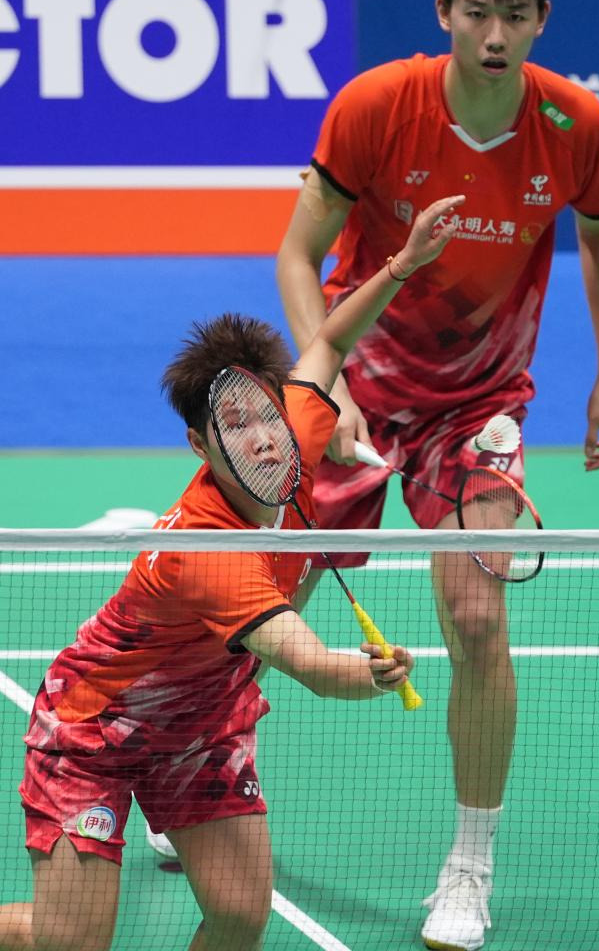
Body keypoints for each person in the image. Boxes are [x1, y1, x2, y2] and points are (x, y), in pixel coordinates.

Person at [276, 0, 599, 948]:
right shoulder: (377, 106)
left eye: (514, 16)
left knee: (476, 621)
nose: (493, 35)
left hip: (479, 401)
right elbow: (298, 255)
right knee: (268, 599)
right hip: (358, 382)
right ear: (442, 13)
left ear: (542, 20)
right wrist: (324, 376)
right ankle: (201, 772)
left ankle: (468, 866)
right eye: (476, 12)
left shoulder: (571, 122)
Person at [0, 194, 462, 951]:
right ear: (199, 445)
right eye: (235, 427)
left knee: (242, 915)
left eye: (267, 416)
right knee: (72, 940)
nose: (264, 439)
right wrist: (372, 673)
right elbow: (314, 668)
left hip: (200, 727)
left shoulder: (291, 431)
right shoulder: (206, 552)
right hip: (93, 729)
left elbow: (330, 340)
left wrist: (403, 264)